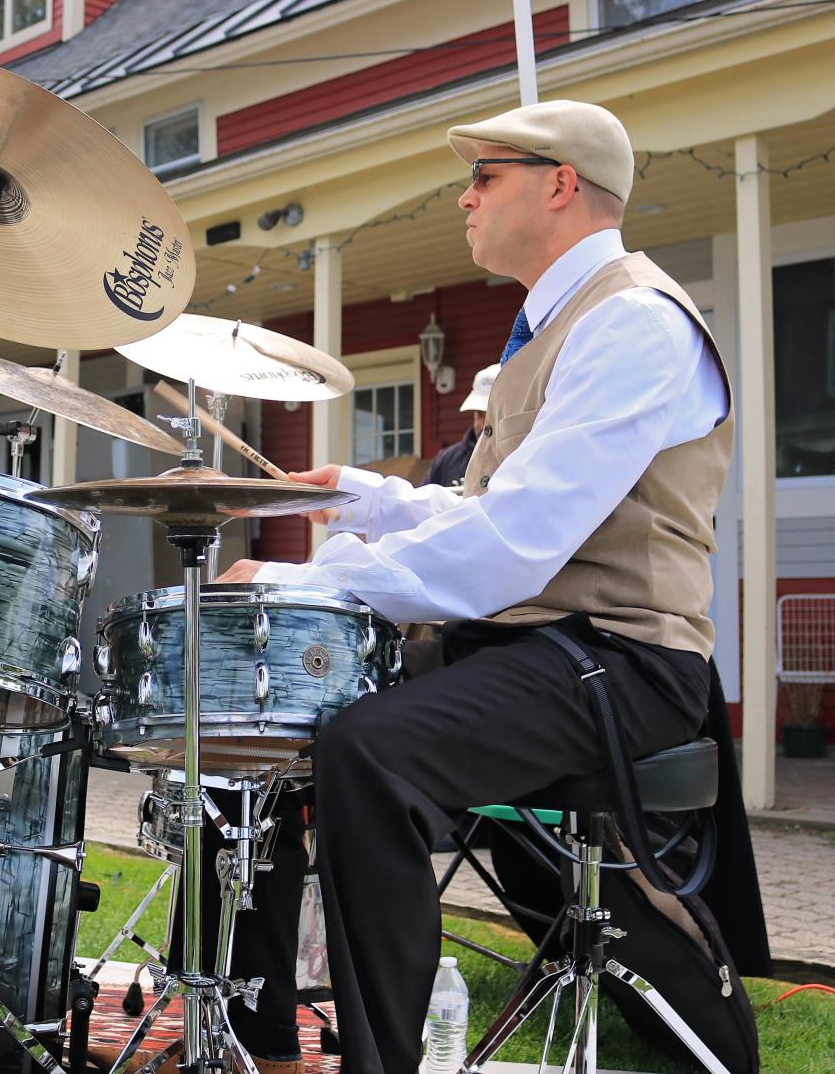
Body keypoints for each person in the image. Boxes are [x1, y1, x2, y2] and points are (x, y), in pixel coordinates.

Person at [214, 100, 734, 1072]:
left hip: (623, 659)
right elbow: (490, 511)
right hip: (545, 646)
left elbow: (518, 544)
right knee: (264, 708)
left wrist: (306, 580)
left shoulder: (634, 320)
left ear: (561, 184)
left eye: (485, 176)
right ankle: (261, 1036)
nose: (465, 197)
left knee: (371, 749)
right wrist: (369, 499)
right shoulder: (552, 326)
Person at [422, 363, 499, 489]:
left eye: (490, 414)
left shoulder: (521, 457)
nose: (481, 424)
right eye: (479, 414)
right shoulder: (446, 460)